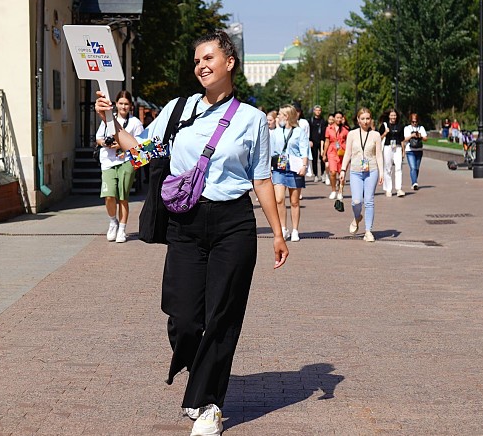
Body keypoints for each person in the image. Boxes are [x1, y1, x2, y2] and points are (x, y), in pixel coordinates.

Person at [94, 30, 288, 436]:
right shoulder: (178, 109)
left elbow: (263, 179)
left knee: (223, 315)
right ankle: (196, 368)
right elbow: (145, 152)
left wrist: (278, 232)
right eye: (197, 59)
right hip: (185, 222)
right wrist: (111, 122)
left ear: (230, 62)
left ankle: (208, 405)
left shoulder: (252, 120)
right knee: (183, 317)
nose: (201, 65)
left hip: (233, 223)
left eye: (209, 57)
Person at [95, 90, 144, 243]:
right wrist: (106, 143)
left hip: (126, 162)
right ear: (116, 104)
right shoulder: (109, 118)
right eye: (121, 103)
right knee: (109, 195)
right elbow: (98, 138)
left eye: (126, 104)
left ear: (131, 106)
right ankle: (113, 222)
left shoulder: (135, 123)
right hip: (108, 161)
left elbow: (140, 146)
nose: (123, 106)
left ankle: (122, 228)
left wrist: (121, 145)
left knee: (123, 196)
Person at [340, 107, 383, 241]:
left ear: (371, 120)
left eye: (368, 118)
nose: (365, 121)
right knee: (356, 201)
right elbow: (347, 153)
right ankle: (357, 216)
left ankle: (368, 231)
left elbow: (379, 155)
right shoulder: (352, 134)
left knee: (369, 201)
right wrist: (343, 170)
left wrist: (381, 173)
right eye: (363, 118)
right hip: (356, 171)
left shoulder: (375, 135)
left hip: (372, 170)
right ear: (358, 120)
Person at [271, 105, 310, 242]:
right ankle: (283, 228)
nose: (278, 117)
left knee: (294, 201)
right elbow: (271, 150)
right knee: (279, 199)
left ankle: (295, 229)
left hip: (294, 167)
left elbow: (304, 150)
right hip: (279, 168)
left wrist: (304, 166)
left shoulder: (299, 132)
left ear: (287, 116)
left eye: (280, 114)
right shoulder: (275, 132)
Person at [378, 108, 406, 197]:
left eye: (394, 115)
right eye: (391, 115)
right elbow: (379, 138)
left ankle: (399, 189)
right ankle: (388, 189)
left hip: (397, 148)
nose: (393, 117)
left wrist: (403, 151)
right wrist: (385, 133)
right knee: (388, 168)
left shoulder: (400, 126)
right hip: (387, 147)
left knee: (398, 167)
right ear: (389, 116)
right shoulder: (384, 125)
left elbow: (402, 139)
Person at [323, 111, 349, 200]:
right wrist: (324, 153)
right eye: (337, 117)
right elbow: (327, 141)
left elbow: (348, 142)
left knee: (342, 173)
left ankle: (340, 191)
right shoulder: (329, 129)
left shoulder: (345, 130)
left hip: (342, 152)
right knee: (333, 172)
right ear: (334, 118)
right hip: (332, 151)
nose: (338, 119)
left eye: (340, 118)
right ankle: (333, 190)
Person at [404, 112, 428, 190]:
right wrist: (412, 135)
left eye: (416, 121)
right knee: (413, 167)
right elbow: (404, 139)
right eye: (413, 121)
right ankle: (414, 182)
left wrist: (420, 135)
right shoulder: (407, 128)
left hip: (419, 150)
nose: (414, 123)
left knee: (417, 168)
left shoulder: (421, 128)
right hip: (410, 150)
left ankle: (414, 181)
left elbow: (426, 139)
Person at [308, 105, 327, 182]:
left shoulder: (323, 121)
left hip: (321, 141)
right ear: (314, 111)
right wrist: (309, 140)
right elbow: (309, 131)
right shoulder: (311, 121)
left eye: (319, 110)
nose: (318, 112)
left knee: (322, 158)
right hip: (313, 141)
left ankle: (322, 173)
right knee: (314, 159)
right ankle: (316, 174)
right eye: (316, 110)